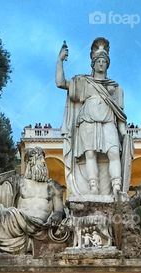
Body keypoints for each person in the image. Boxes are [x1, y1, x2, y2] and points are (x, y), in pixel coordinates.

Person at [56, 37, 132, 196]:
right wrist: (60, 60)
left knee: (113, 152)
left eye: (104, 61)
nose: (101, 63)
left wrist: (124, 134)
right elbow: (60, 83)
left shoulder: (116, 88)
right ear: (93, 63)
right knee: (90, 154)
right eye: (98, 60)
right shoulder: (83, 82)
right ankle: (93, 187)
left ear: (108, 63)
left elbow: (120, 116)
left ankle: (116, 187)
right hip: (87, 121)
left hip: (108, 120)